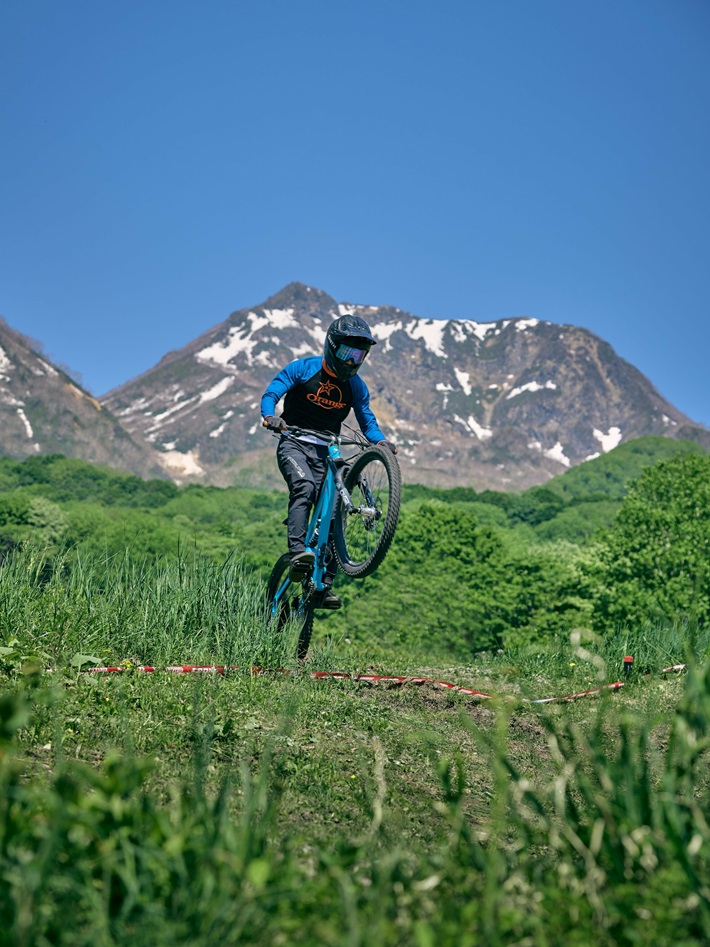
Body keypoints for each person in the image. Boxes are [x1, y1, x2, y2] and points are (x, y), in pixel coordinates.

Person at [261, 314, 397, 609]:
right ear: (331, 347)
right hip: (294, 443)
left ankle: (323, 586)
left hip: (327, 450)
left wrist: (381, 442)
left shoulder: (356, 387)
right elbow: (272, 392)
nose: (352, 360)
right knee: (304, 487)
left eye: (359, 354)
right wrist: (270, 416)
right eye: (347, 352)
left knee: (337, 511)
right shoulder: (303, 368)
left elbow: (367, 422)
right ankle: (298, 554)